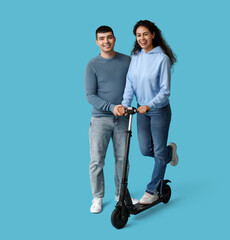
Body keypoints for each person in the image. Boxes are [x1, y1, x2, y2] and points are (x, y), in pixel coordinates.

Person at [121, 20, 179, 204]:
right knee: (146, 150)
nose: (142, 38)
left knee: (158, 149)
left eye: (145, 34)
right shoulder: (136, 56)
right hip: (140, 110)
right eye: (138, 35)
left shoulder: (162, 58)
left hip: (158, 110)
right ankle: (170, 153)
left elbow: (165, 91)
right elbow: (130, 82)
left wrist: (150, 105)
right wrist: (124, 104)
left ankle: (152, 189)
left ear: (153, 34)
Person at [84, 26, 138, 214]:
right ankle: (97, 197)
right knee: (97, 160)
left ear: (114, 39)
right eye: (101, 38)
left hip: (123, 118)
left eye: (109, 37)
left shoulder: (127, 61)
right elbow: (90, 95)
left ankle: (120, 194)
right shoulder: (92, 65)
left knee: (123, 159)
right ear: (97, 42)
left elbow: (134, 84)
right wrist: (111, 107)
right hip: (100, 120)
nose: (106, 41)